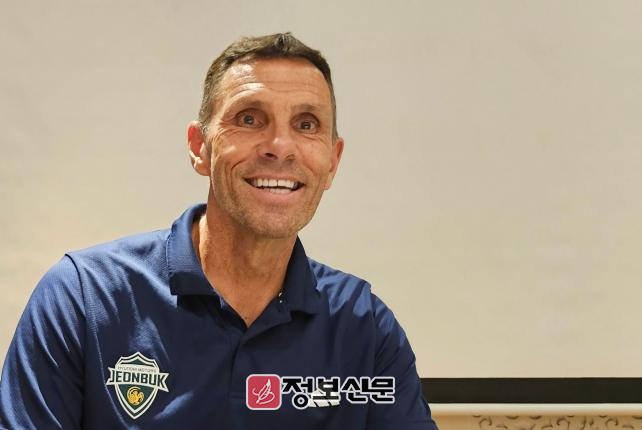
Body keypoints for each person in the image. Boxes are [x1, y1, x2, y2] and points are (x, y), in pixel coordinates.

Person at [0, 32, 437, 429]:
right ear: (200, 148)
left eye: (306, 125)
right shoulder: (83, 298)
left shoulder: (364, 328)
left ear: (332, 162)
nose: (279, 147)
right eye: (249, 119)